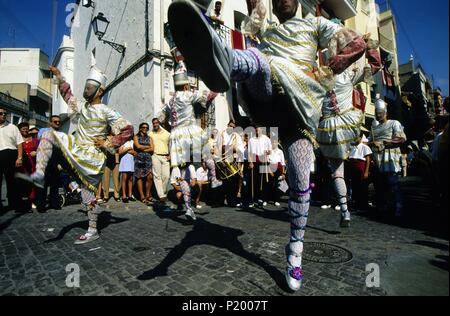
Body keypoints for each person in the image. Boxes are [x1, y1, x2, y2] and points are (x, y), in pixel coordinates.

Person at [167, 0, 367, 290]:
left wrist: (332, 67)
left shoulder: (315, 24)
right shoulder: (267, 27)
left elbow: (356, 43)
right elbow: (253, 10)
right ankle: (223, 60)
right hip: (269, 94)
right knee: (259, 59)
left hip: (299, 111)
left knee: (299, 180)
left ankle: (295, 250)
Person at [16, 65, 133, 244]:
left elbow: (128, 129)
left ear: (100, 91)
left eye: (89, 87)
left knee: (88, 193)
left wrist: (108, 142)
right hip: (78, 149)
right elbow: (68, 94)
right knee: (48, 134)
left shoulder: (107, 111)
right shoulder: (82, 107)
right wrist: (58, 76)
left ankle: (92, 229)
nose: (86, 90)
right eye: (86, 87)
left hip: (93, 157)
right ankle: (40, 174)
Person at [317, 38, 381, 226]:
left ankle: (345, 211)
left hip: (328, 130)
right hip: (347, 126)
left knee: (337, 172)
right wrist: (370, 48)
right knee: (349, 168)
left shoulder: (320, 78)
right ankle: (347, 207)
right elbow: (375, 66)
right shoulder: (348, 76)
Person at [158, 61, 217, 219]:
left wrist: (171, 129)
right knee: (205, 153)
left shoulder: (170, 102)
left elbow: (159, 118)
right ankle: (214, 177)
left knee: (182, 173)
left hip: (176, 137)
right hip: (190, 131)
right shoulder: (189, 94)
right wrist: (217, 87)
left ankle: (188, 207)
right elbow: (207, 97)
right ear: (185, 85)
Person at [368, 98, 407, 218]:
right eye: (376, 113)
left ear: (386, 112)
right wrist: (372, 143)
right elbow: (368, 142)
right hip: (378, 159)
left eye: (380, 112)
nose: (378, 115)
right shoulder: (374, 128)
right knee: (381, 185)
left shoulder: (394, 123)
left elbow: (401, 138)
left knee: (393, 184)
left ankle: (399, 206)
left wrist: (384, 143)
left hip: (390, 157)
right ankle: (386, 206)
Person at [0, 107, 24, 212]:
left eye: (5, 113)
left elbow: (19, 143)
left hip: (11, 155)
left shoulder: (13, 127)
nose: (3, 115)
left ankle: (15, 205)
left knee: (13, 182)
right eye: (1, 113)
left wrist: (19, 157)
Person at [218, 120, 245, 207]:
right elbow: (218, 147)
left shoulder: (236, 136)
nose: (231, 128)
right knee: (224, 182)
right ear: (227, 125)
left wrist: (233, 149)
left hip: (233, 160)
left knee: (233, 183)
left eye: (233, 127)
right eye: (230, 126)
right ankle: (221, 200)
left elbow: (241, 150)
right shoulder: (222, 134)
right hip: (223, 161)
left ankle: (232, 201)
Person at [248, 126, 272, 207]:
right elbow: (249, 152)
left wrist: (267, 152)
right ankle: (252, 200)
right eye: (256, 130)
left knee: (262, 181)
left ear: (262, 130)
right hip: (254, 161)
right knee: (253, 181)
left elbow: (270, 151)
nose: (257, 131)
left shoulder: (267, 139)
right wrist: (250, 162)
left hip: (263, 160)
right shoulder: (251, 139)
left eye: (258, 130)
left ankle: (261, 198)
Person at [348, 134, 372, 211]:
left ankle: (363, 205)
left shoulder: (365, 147)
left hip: (361, 167)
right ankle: (357, 204)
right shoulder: (352, 147)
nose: (355, 139)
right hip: (353, 167)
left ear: (361, 138)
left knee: (362, 187)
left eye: (357, 137)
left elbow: (368, 160)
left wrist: (366, 171)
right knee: (355, 186)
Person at [18, 122, 39, 210]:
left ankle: (32, 200)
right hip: (21, 165)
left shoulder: (34, 140)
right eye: (23, 128)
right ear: (19, 130)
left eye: (26, 128)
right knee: (21, 183)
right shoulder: (17, 140)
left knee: (32, 183)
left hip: (33, 164)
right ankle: (21, 201)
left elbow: (41, 150)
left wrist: (36, 153)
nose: (25, 129)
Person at [150, 118, 171, 204]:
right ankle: (161, 195)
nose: (155, 124)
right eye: (153, 123)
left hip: (165, 157)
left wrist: (171, 155)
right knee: (157, 176)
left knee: (166, 176)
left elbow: (171, 145)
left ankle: (163, 193)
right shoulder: (150, 134)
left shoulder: (167, 134)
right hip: (155, 156)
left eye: (156, 123)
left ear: (159, 123)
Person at [134, 123, 154, 205]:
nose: (145, 129)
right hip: (139, 159)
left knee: (149, 177)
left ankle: (147, 194)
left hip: (148, 159)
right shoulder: (136, 137)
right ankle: (142, 196)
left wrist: (143, 149)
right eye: (143, 127)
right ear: (140, 128)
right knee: (139, 177)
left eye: (147, 127)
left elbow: (152, 148)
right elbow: (137, 146)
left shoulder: (150, 138)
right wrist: (147, 147)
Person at [267, 139, 286, 207]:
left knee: (277, 185)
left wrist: (283, 173)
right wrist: (269, 170)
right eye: (272, 142)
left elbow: (283, 162)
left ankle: (276, 200)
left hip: (278, 168)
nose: (274, 143)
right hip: (270, 168)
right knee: (269, 184)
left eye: (275, 142)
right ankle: (267, 199)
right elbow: (267, 161)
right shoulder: (269, 151)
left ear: (278, 142)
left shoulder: (280, 151)